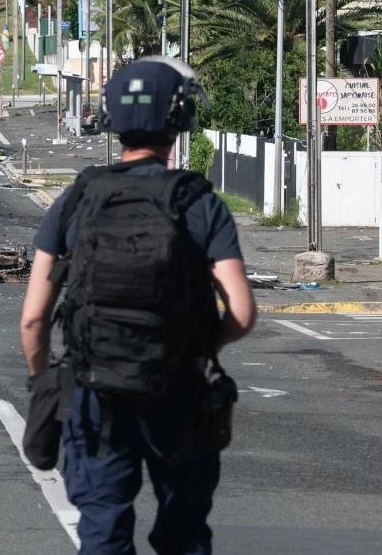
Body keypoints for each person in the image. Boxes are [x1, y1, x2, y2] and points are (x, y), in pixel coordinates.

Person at [20, 56, 257, 555]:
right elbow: (241, 311)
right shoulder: (199, 202)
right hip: (180, 390)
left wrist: (43, 382)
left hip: (95, 391)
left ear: (110, 117)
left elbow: (33, 318)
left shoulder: (77, 198)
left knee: (103, 531)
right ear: (179, 120)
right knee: (183, 535)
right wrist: (194, 346)